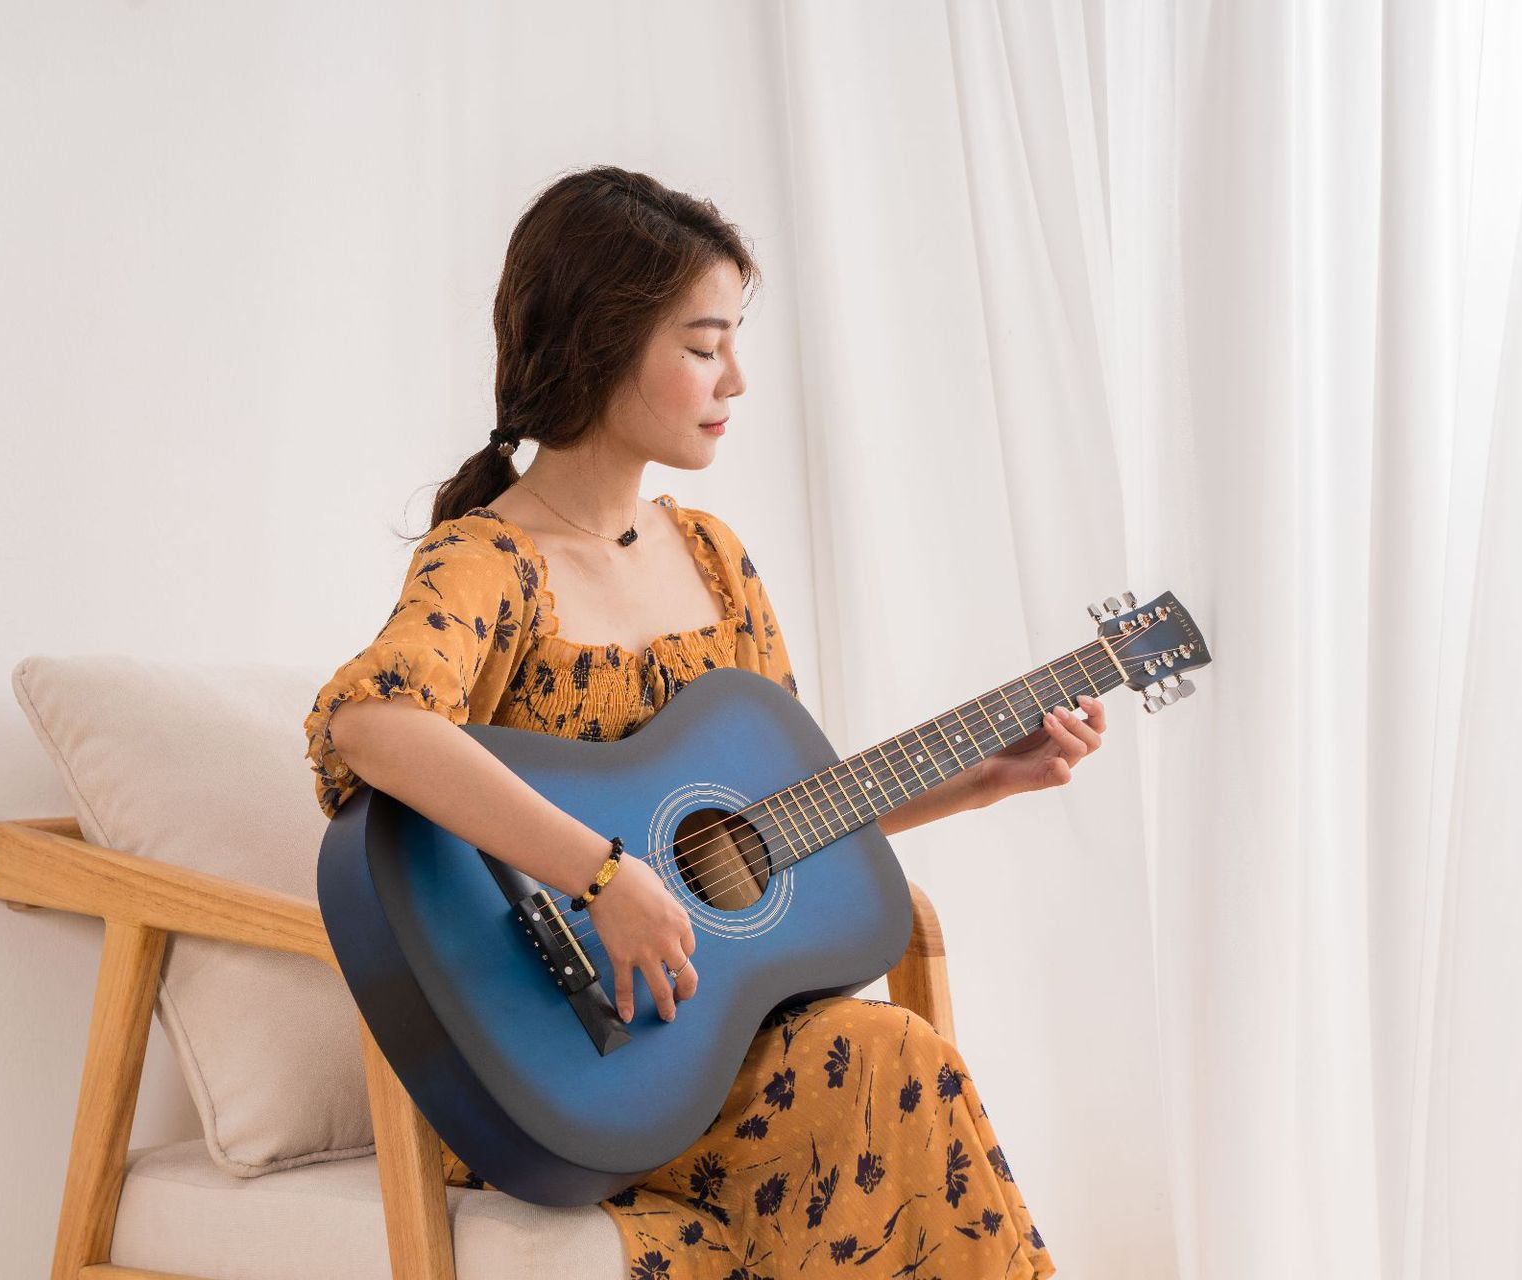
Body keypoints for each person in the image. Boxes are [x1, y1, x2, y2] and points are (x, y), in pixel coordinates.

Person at [303, 165, 1103, 1278]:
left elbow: (769, 830)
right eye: (703, 344)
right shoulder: (489, 561)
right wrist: (602, 877)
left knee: (887, 1057)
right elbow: (371, 724)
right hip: (564, 1067)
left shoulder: (716, 560)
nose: (736, 379)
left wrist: (979, 779)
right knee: (893, 1063)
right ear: (601, 343)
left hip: (716, 1048)